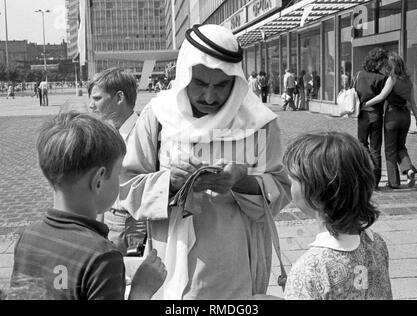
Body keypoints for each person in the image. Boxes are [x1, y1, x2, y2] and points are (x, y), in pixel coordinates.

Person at [119, 24, 291, 300]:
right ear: (184, 74)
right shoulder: (158, 117)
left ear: (237, 82)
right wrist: (169, 183)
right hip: (169, 267)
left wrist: (242, 180)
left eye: (222, 85)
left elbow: (281, 189)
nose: (210, 97)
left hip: (237, 271)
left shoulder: (259, 123)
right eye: (199, 84)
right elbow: (125, 186)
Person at [10, 112, 167, 299]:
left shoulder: (28, 236)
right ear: (98, 180)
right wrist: (142, 290)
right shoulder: (102, 257)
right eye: (118, 174)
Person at [282, 131, 392, 300]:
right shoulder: (376, 243)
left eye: (293, 180)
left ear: (315, 192)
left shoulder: (309, 269)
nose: (289, 184)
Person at [88, 67, 147, 255]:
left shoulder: (146, 134)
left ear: (119, 98)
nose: (91, 105)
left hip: (135, 223)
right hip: (109, 218)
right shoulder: (106, 133)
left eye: (97, 98)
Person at [363, 53, 417, 189]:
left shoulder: (392, 79)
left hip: (393, 116)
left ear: (391, 66)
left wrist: (365, 104)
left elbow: (381, 97)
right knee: (401, 146)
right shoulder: (409, 81)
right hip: (406, 117)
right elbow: (413, 103)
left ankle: (394, 182)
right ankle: (409, 169)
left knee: (390, 150)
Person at [355, 48, 389, 189]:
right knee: (376, 148)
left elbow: (355, 91)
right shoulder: (383, 78)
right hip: (377, 115)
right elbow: (384, 97)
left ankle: (366, 175)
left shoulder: (359, 74)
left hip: (363, 114)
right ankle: (375, 181)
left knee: (362, 144)